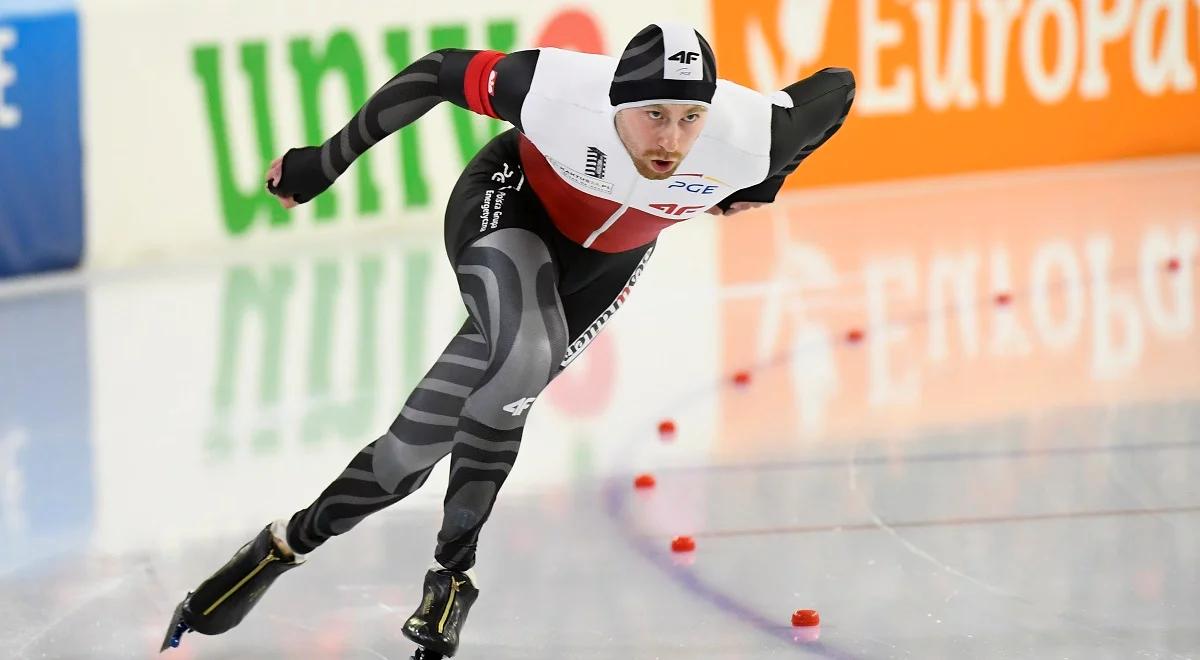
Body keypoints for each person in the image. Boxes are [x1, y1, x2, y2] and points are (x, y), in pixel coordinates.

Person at [162, 21, 855, 659]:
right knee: (521, 352)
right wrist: (323, 163)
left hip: (604, 269)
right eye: (652, 115)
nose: (670, 141)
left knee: (407, 455)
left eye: (689, 118)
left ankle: (279, 547)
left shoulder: (753, 133)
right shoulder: (557, 91)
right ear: (616, 103)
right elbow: (436, 71)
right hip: (509, 203)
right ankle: (452, 576)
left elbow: (838, 89)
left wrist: (770, 177)